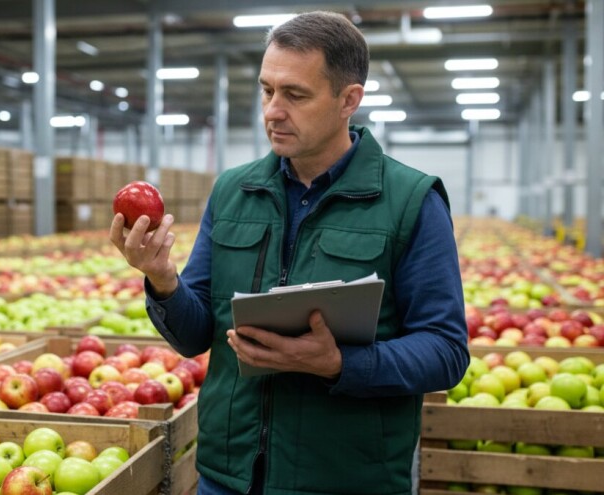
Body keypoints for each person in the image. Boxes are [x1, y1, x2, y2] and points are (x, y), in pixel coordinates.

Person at [110, 11, 468, 495]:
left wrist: (340, 363)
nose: (273, 111)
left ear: (349, 100)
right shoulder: (234, 192)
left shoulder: (411, 201)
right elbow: (196, 336)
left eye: (295, 95)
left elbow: (446, 351)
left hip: (345, 481)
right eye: (267, 90)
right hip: (227, 476)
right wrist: (163, 281)